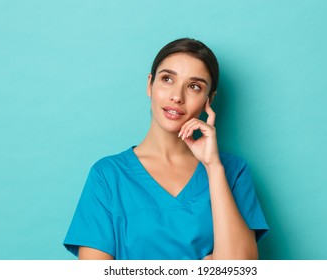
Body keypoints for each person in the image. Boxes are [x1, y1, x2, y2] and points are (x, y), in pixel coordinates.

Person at [63, 38, 269, 260]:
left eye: (194, 86)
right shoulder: (107, 176)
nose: (177, 96)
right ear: (150, 84)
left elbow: (239, 270)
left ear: (209, 99)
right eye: (167, 79)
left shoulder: (233, 172)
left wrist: (213, 167)